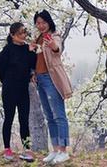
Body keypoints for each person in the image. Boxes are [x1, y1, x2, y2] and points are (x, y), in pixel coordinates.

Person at [29, 10, 73, 164]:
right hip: (40, 79)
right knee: (49, 116)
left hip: (51, 78)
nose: (41, 25)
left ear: (49, 22)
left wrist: (53, 45)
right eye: (38, 23)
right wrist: (33, 72)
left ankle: (63, 150)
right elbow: (37, 59)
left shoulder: (54, 36)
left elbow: (57, 49)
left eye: (43, 22)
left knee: (59, 114)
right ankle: (55, 150)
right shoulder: (38, 38)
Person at [0, 22, 37, 162]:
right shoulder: (7, 51)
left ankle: (27, 150)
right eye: (20, 33)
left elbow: (32, 65)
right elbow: (1, 69)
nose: (23, 35)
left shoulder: (27, 48)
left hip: (23, 89)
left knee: (24, 119)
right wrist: (8, 81)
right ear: (12, 35)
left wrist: (31, 51)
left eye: (24, 32)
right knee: (8, 118)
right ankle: (7, 149)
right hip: (9, 89)